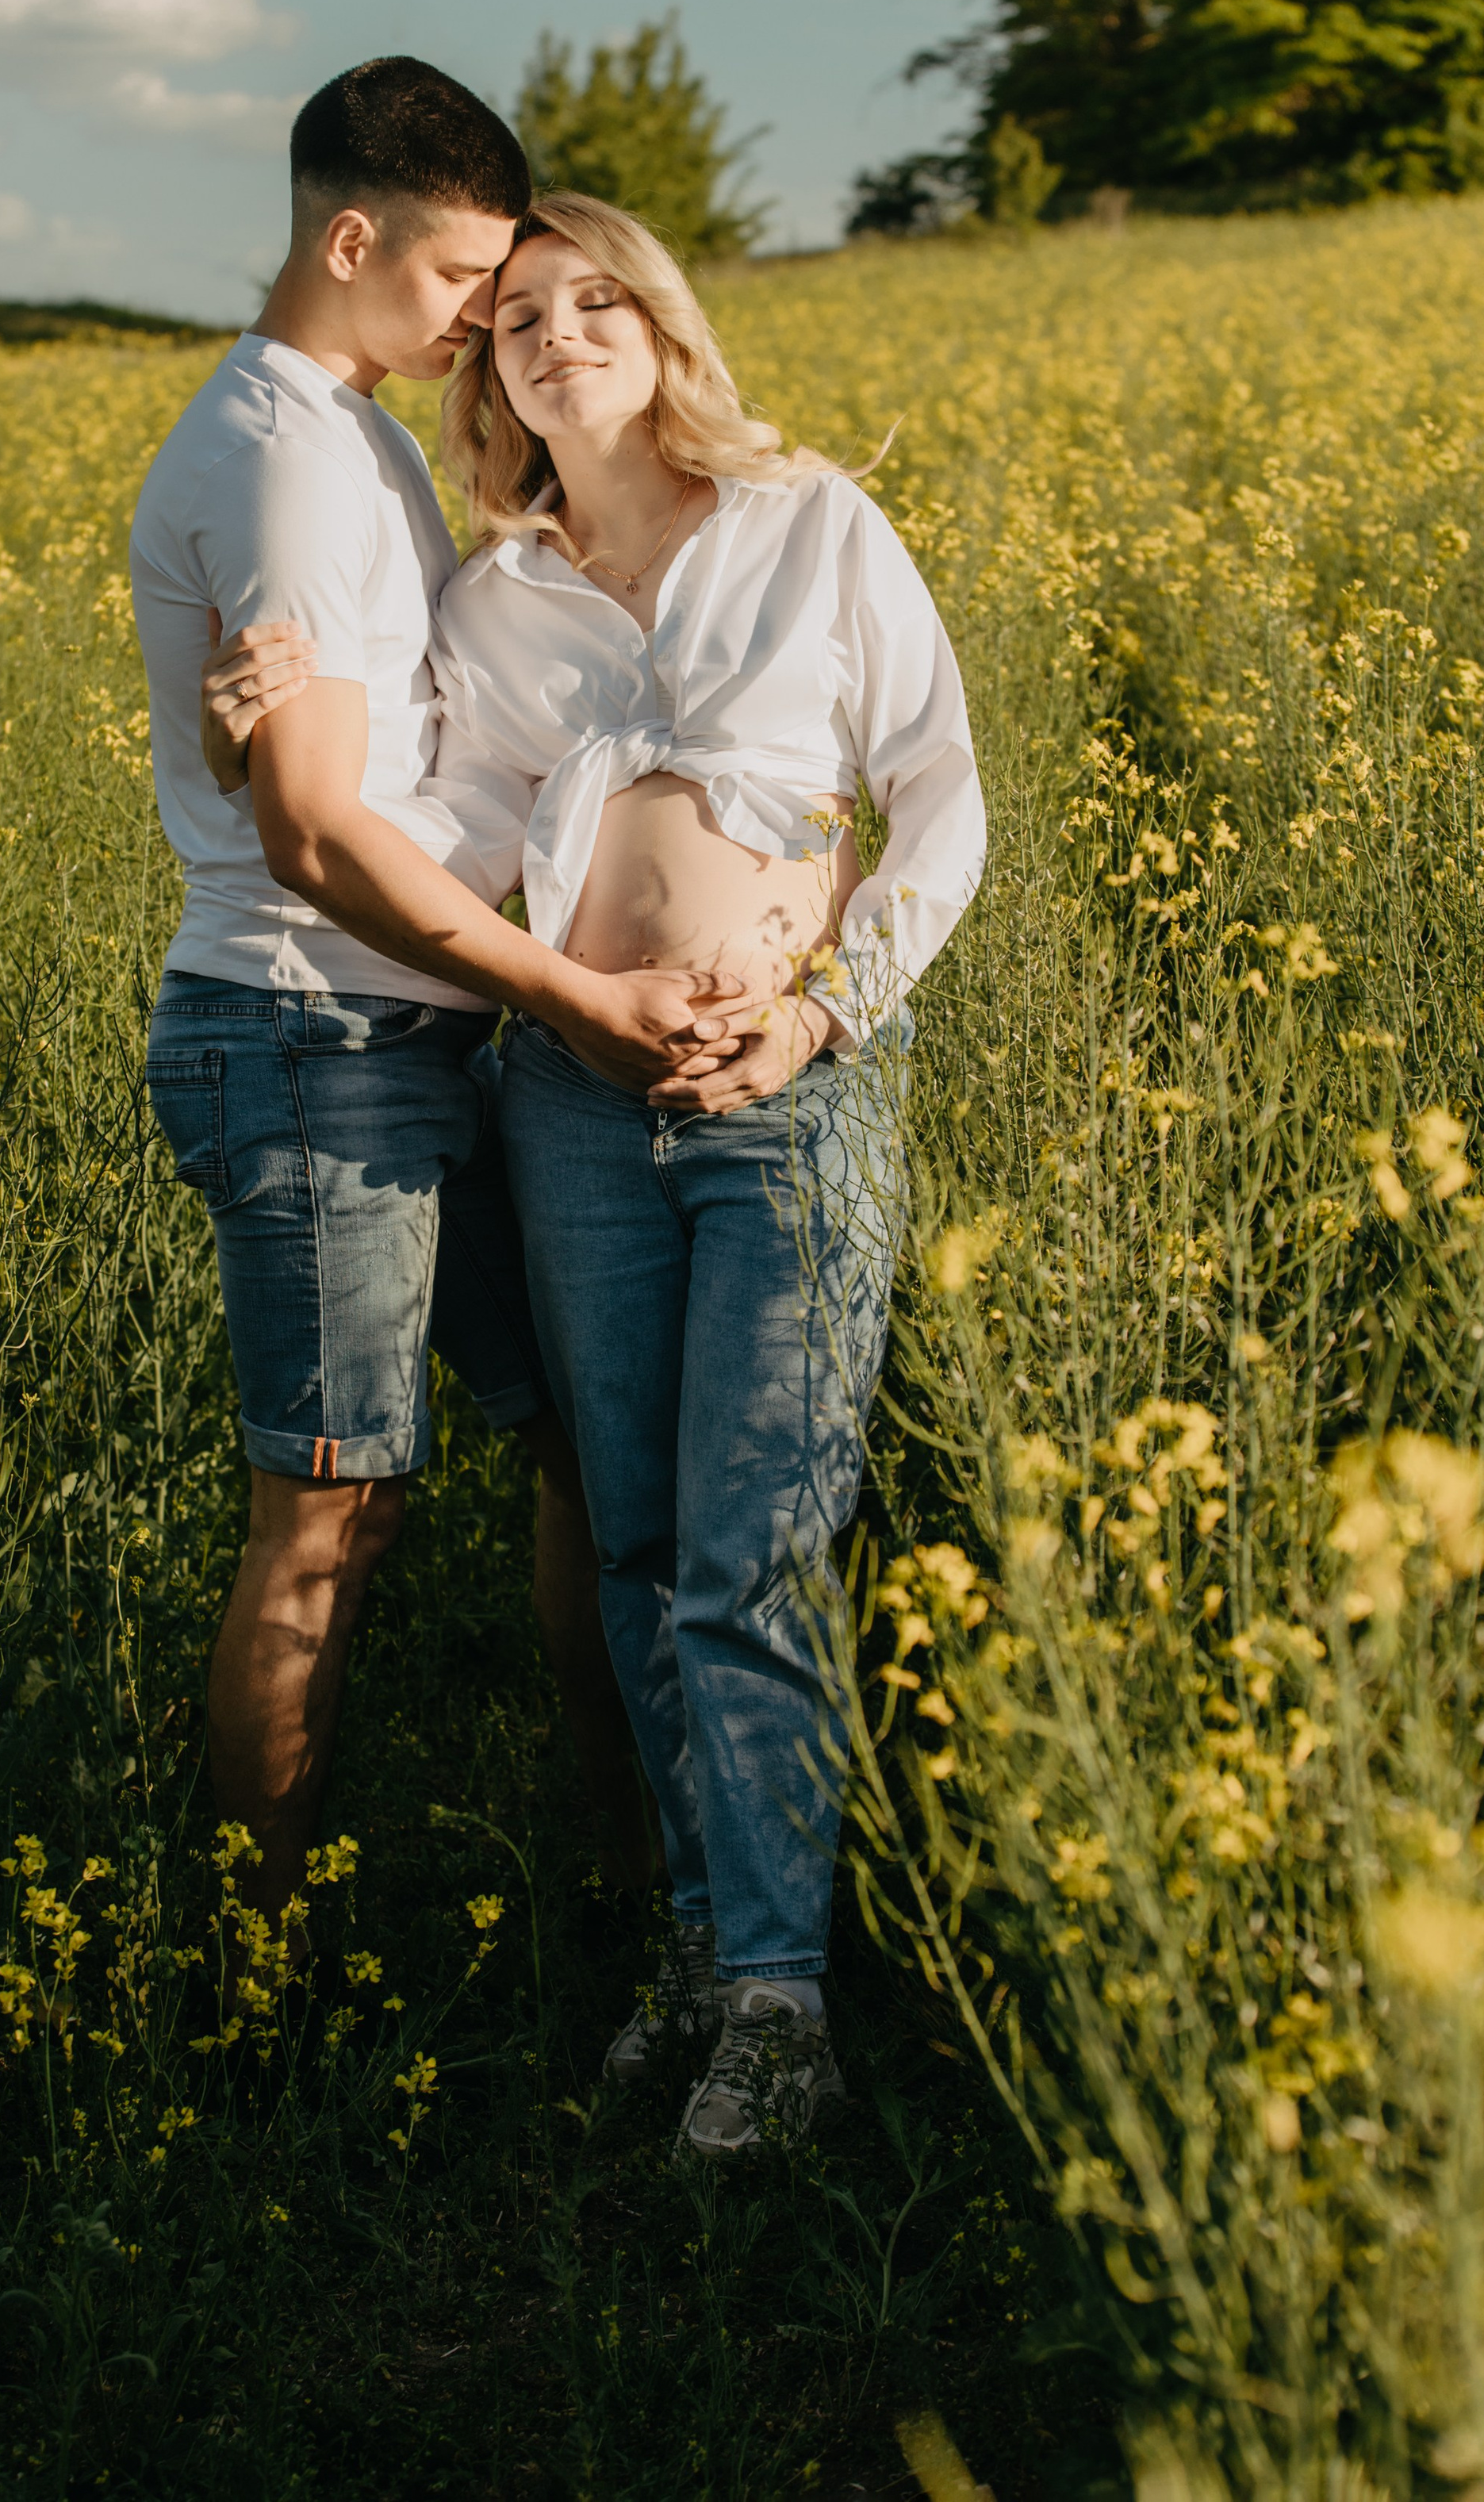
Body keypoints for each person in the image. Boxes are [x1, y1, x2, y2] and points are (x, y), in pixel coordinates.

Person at [216, 192, 984, 2155]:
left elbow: (938, 802)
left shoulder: (808, 519)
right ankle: (700, 1956)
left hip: (782, 1093)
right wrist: (270, 756)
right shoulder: (495, 604)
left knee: (754, 1552)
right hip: (573, 1106)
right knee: (637, 1552)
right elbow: (444, 863)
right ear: (488, 372)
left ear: (657, 328)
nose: (553, 334)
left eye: (591, 303)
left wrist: (824, 1014)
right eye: (517, 318)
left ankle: (783, 2006)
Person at [129, 67, 742, 1944]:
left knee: (560, 1430)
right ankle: (252, 1978)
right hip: (317, 1040)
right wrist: (571, 994)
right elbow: (316, 838)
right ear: (348, 240)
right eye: (466, 272)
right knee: (325, 1520)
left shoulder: (354, 433)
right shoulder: (290, 459)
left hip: (410, 1032)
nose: (486, 310)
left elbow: (377, 759)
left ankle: (630, 1875)